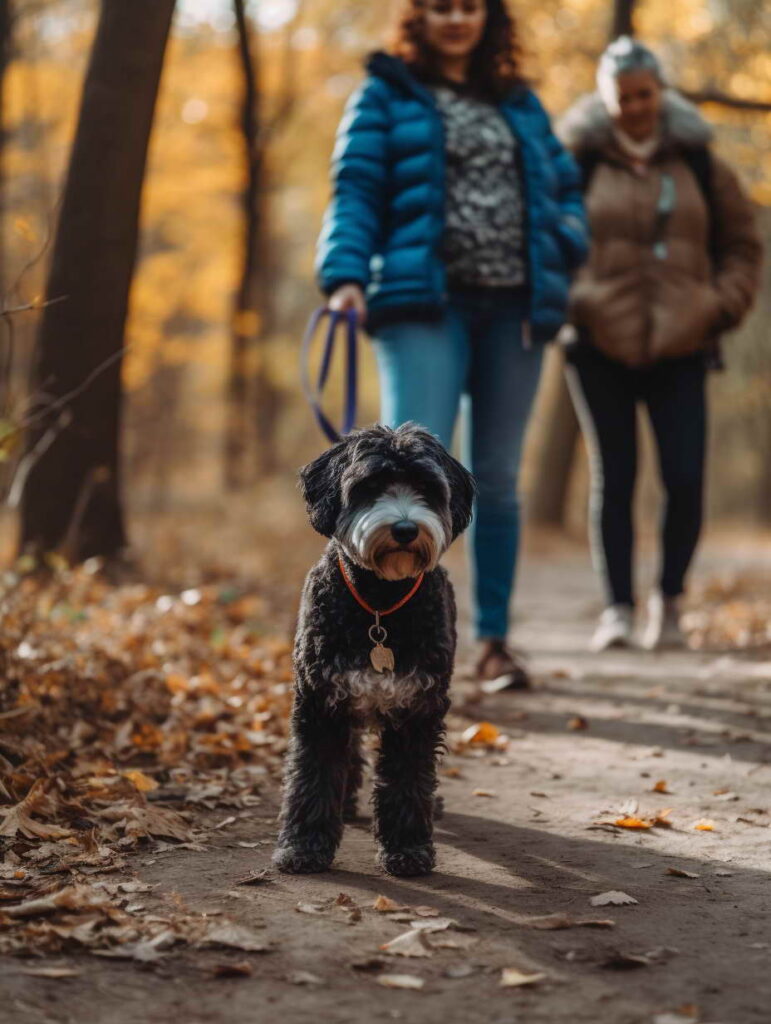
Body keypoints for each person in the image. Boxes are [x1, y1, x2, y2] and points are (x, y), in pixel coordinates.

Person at [316, 0, 588, 687]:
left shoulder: (518, 102)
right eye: (441, 6)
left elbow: (564, 189)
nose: (457, 18)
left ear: (487, 17)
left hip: (514, 309)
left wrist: (562, 240)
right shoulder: (384, 93)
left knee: (493, 478)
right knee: (410, 464)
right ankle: (396, 643)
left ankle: (492, 640)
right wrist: (345, 274)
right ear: (419, 16)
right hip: (419, 304)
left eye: (470, 6)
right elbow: (354, 187)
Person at [559, 37, 762, 652]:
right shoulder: (578, 163)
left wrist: (716, 306)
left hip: (682, 345)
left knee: (684, 477)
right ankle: (618, 608)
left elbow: (743, 247)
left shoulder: (701, 162)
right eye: (624, 97)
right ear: (606, 99)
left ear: (661, 93)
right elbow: (547, 241)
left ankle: (669, 603)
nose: (636, 106)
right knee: (614, 477)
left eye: (646, 94)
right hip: (597, 345)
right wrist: (580, 301)